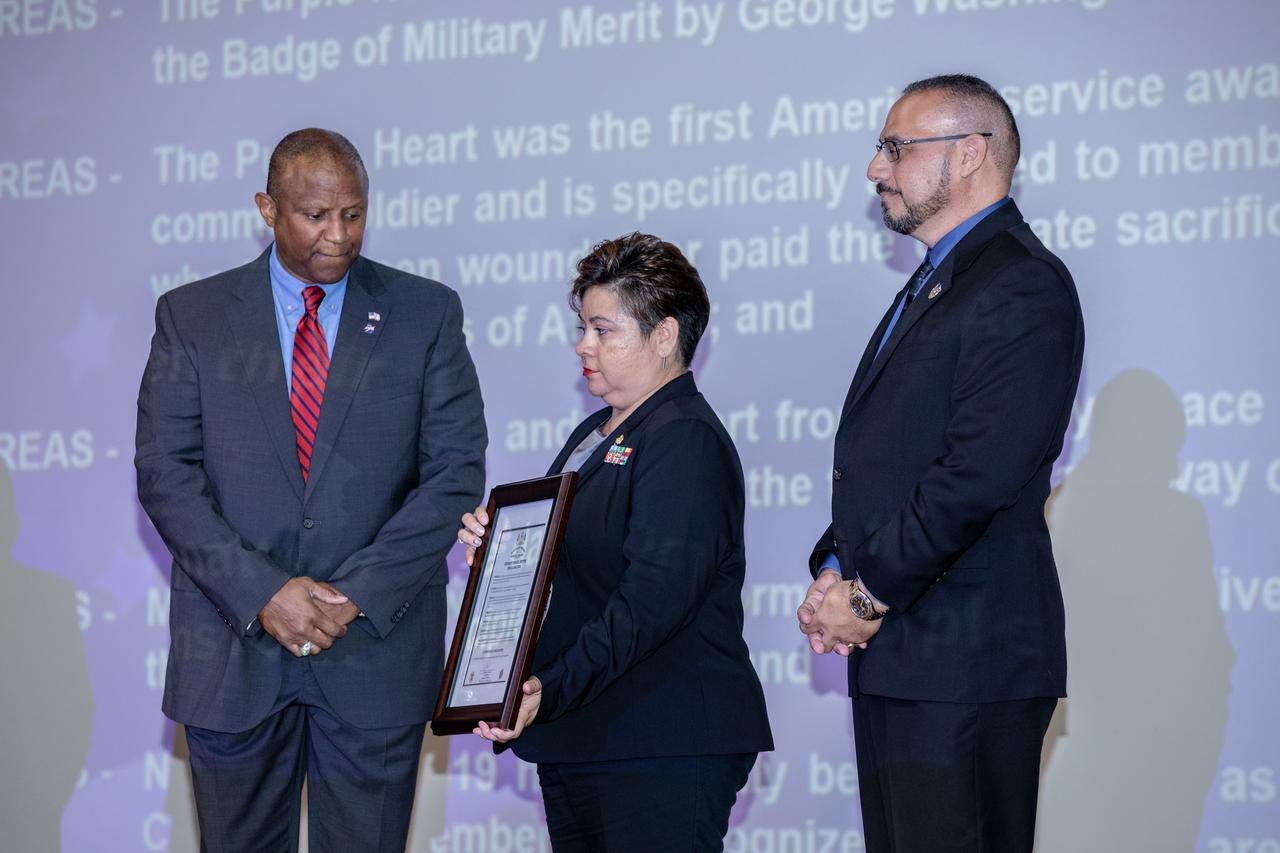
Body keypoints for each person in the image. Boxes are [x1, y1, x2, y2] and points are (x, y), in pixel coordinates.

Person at [135, 128, 486, 852]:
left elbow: (454, 472)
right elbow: (165, 473)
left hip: (373, 655)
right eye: (316, 215)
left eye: (353, 214)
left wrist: (346, 595)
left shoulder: (425, 313)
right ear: (268, 208)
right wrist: (265, 591)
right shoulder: (191, 317)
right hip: (234, 657)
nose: (339, 234)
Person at [795, 75, 1085, 853]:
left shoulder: (1019, 282)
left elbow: (974, 476)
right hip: (907, 654)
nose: (874, 169)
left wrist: (867, 590)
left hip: (967, 661)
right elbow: (895, 461)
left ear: (969, 154)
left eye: (895, 147)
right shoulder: (936, 282)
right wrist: (835, 568)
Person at [457, 233, 773, 852]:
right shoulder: (591, 433)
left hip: (660, 738)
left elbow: (651, 601)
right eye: (582, 327)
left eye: (604, 330)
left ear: (664, 336)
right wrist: (501, 554)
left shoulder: (684, 437)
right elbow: (571, 567)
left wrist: (549, 687)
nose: (583, 345)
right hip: (589, 734)